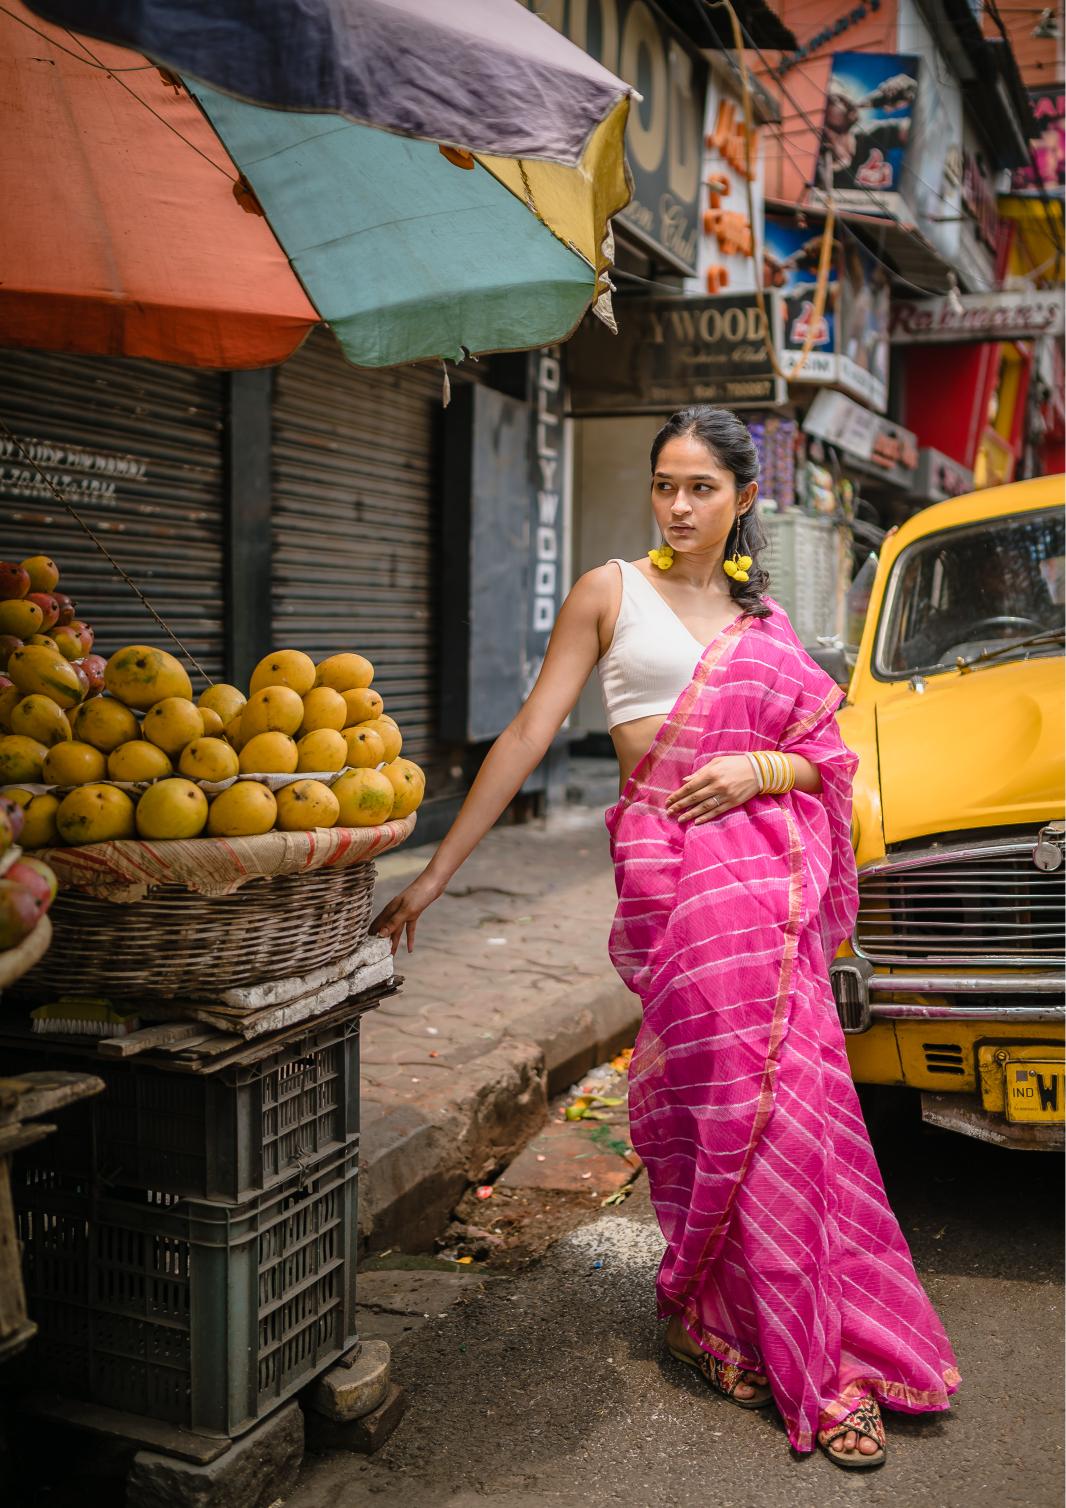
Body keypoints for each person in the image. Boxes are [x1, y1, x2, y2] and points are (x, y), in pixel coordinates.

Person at [372, 406, 960, 1469]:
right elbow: (525, 731)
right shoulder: (609, 589)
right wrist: (434, 872)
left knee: (791, 1119)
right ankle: (718, 1316)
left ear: (741, 498)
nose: (679, 506)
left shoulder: (762, 621)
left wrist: (756, 769)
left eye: (700, 487)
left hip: (767, 894)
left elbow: (824, 759)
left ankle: (815, 1360)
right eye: (664, 485)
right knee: (720, 1115)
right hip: (676, 893)